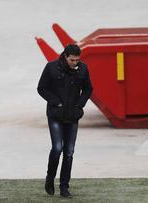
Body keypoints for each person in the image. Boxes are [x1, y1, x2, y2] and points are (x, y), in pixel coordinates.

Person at [37, 44, 93, 198]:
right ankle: (50, 178)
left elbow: (88, 88)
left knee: (69, 152)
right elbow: (41, 88)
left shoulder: (83, 69)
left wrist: (80, 104)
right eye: (72, 60)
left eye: (77, 60)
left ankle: (64, 187)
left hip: (72, 115)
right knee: (57, 148)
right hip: (55, 114)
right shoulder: (51, 67)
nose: (75, 63)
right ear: (65, 56)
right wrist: (55, 101)